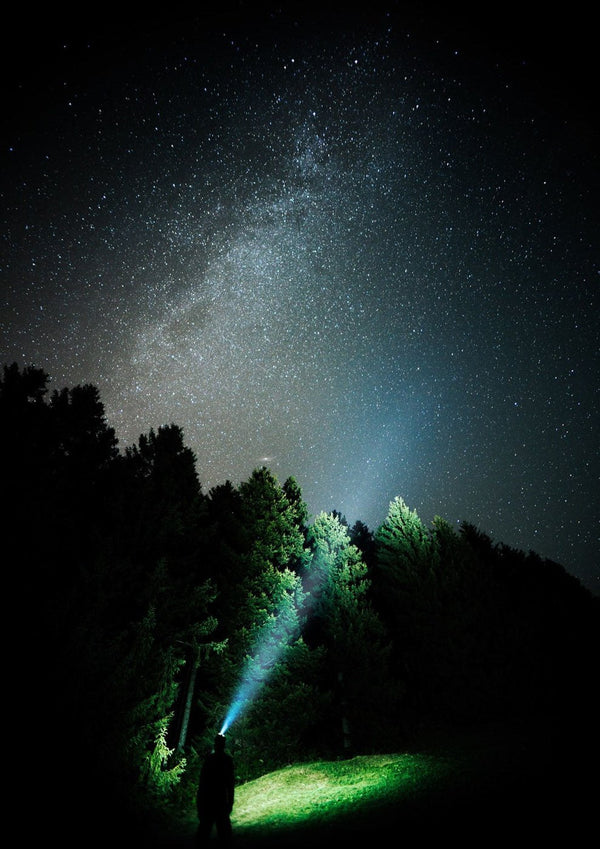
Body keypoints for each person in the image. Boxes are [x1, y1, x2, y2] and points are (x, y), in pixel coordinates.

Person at [196, 733, 235, 847]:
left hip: (208, 800)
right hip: (220, 800)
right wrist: (230, 802)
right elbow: (230, 783)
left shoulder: (210, 759)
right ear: (223, 745)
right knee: (224, 835)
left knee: (204, 833)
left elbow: (202, 782)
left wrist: (199, 803)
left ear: (215, 744)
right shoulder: (227, 760)